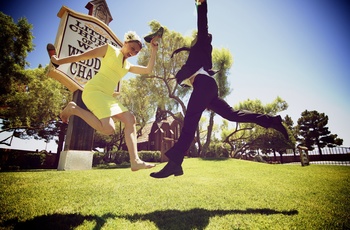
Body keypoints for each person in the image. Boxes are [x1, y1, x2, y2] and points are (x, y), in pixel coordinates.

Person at [150, 0, 288, 178]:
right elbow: (185, 73)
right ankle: (272, 121)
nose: (196, 38)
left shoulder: (202, 45)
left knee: (190, 122)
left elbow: (203, 23)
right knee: (232, 114)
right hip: (208, 89)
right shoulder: (197, 58)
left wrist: (201, 4)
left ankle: (174, 164)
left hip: (203, 86)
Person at [48, 28, 163, 172]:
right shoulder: (109, 50)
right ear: (125, 42)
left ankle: (135, 161)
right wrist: (58, 61)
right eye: (132, 48)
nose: (133, 52)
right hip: (94, 91)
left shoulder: (127, 66)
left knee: (128, 120)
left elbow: (147, 70)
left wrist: (153, 50)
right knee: (114, 125)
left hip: (107, 96)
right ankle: (74, 109)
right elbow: (82, 56)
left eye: (136, 52)